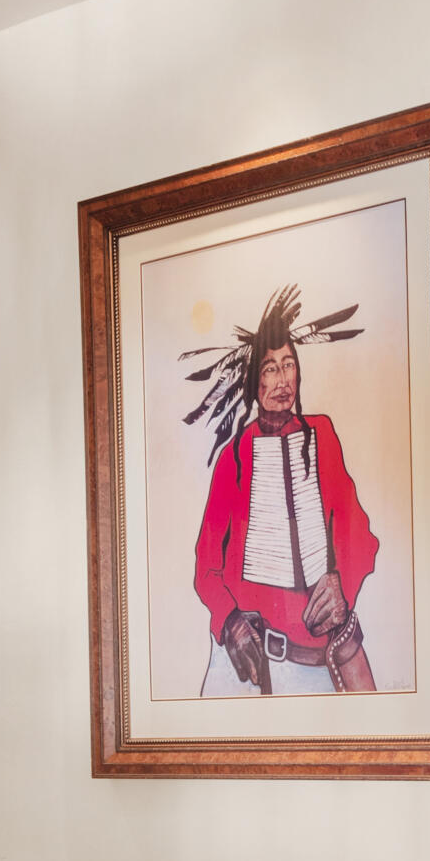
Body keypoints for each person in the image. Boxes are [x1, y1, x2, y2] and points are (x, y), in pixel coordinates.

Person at [182, 286, 379, 694]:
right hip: (242, 671)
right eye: (270, 368)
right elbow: (206, 566)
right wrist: (229, 620)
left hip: (312, 667)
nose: (281, 379)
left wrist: (343, 582)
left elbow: (360, 535)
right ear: (254, 381)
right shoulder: (233, 458)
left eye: (288, 365)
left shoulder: (322, 437)